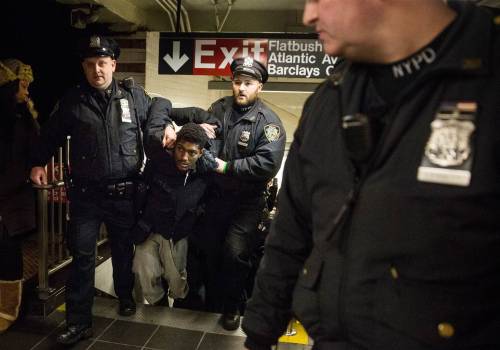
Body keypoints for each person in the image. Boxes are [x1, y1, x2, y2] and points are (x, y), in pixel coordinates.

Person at [242, 1, 500, 349]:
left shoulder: (487, 78)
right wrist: (260, 330)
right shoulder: (330, 99)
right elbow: (292, 231)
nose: (308, 16)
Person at [29, 35, 176, 346]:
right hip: (86, 195)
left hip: (125, 193)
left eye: (103, 63)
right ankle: (78, 322)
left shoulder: (132, 96)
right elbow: (50, 135)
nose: (97, 69)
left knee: (123, 251)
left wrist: (169, 126)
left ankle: (124, 296)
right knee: (82, 257)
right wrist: (38, 163)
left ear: (113, 64)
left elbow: (158, 109)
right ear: (84, 67)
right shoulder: (72, 100)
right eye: (91, 64)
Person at [172, 56, 286, 330]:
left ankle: (233, 306)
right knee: (207, 250)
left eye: (248, 83)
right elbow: (205, 138)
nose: (241, 88)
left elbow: (266, 163)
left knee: (234, 254)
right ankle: (211, 304)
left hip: (246, 203)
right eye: (237, 82)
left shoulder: (268, 123)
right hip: (213, 198)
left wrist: (226, 166)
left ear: (259, 87)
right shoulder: (219, 109)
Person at [132, 121, 218, 306]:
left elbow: (208, 203)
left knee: (178, 283)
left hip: (177, 234)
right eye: (180, 149)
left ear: (201, 153)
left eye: (192, 152)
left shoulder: (205, 175)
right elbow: (143, 189)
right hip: (149, 228)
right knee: (145, 273)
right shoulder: (159, 162)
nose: (184, 157)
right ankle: (159, 307)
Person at [0, 59, 39, 333]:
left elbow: (19, 164)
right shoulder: (16, 117)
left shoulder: (22, 118)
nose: (26, 90)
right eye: (21, 84)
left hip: (10, 200)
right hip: (10, 197)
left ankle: (8, 311)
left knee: (8, 253)